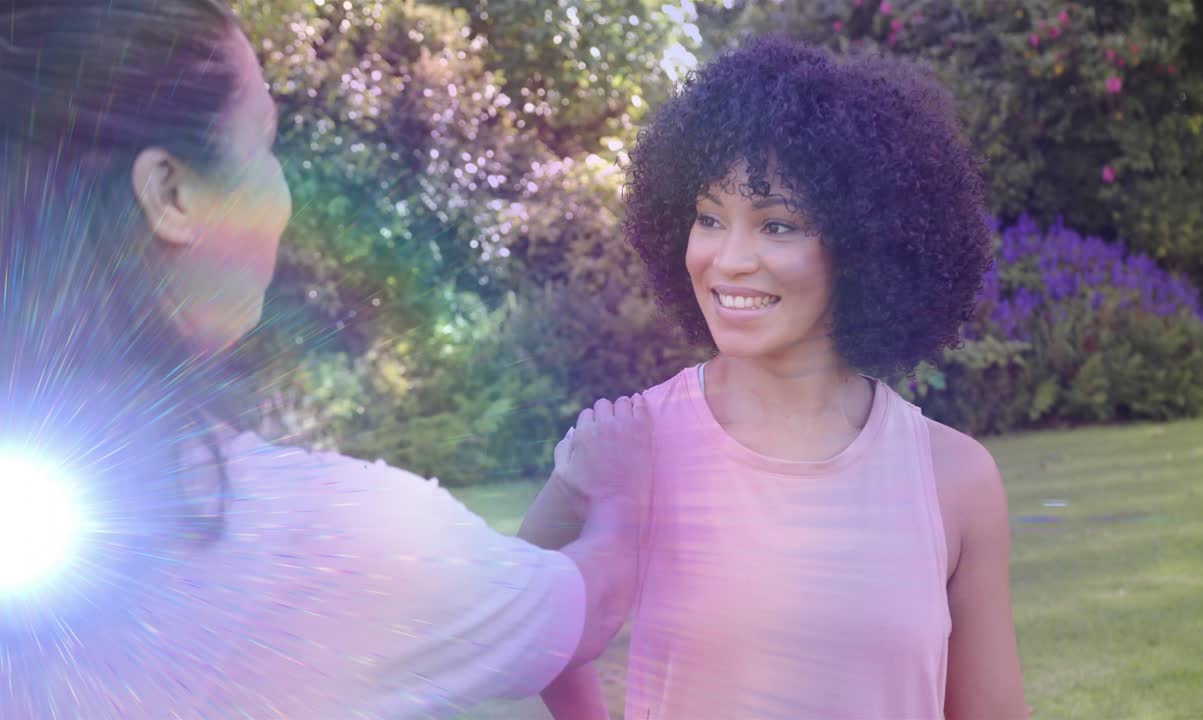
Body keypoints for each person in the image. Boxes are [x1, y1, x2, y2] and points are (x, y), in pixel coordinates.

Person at [0, 1, 649, 718]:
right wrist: (619, 488)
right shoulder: (319, 541)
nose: (281, 189)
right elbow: (586, 609)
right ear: (170, 193)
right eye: (266, 143)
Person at [520, 36, 1030, 719]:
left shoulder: (955, 480)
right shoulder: (629, 445)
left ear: (860, 245)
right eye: (709, 218)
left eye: (777, 225)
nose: (728, 259)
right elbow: (513, 624)